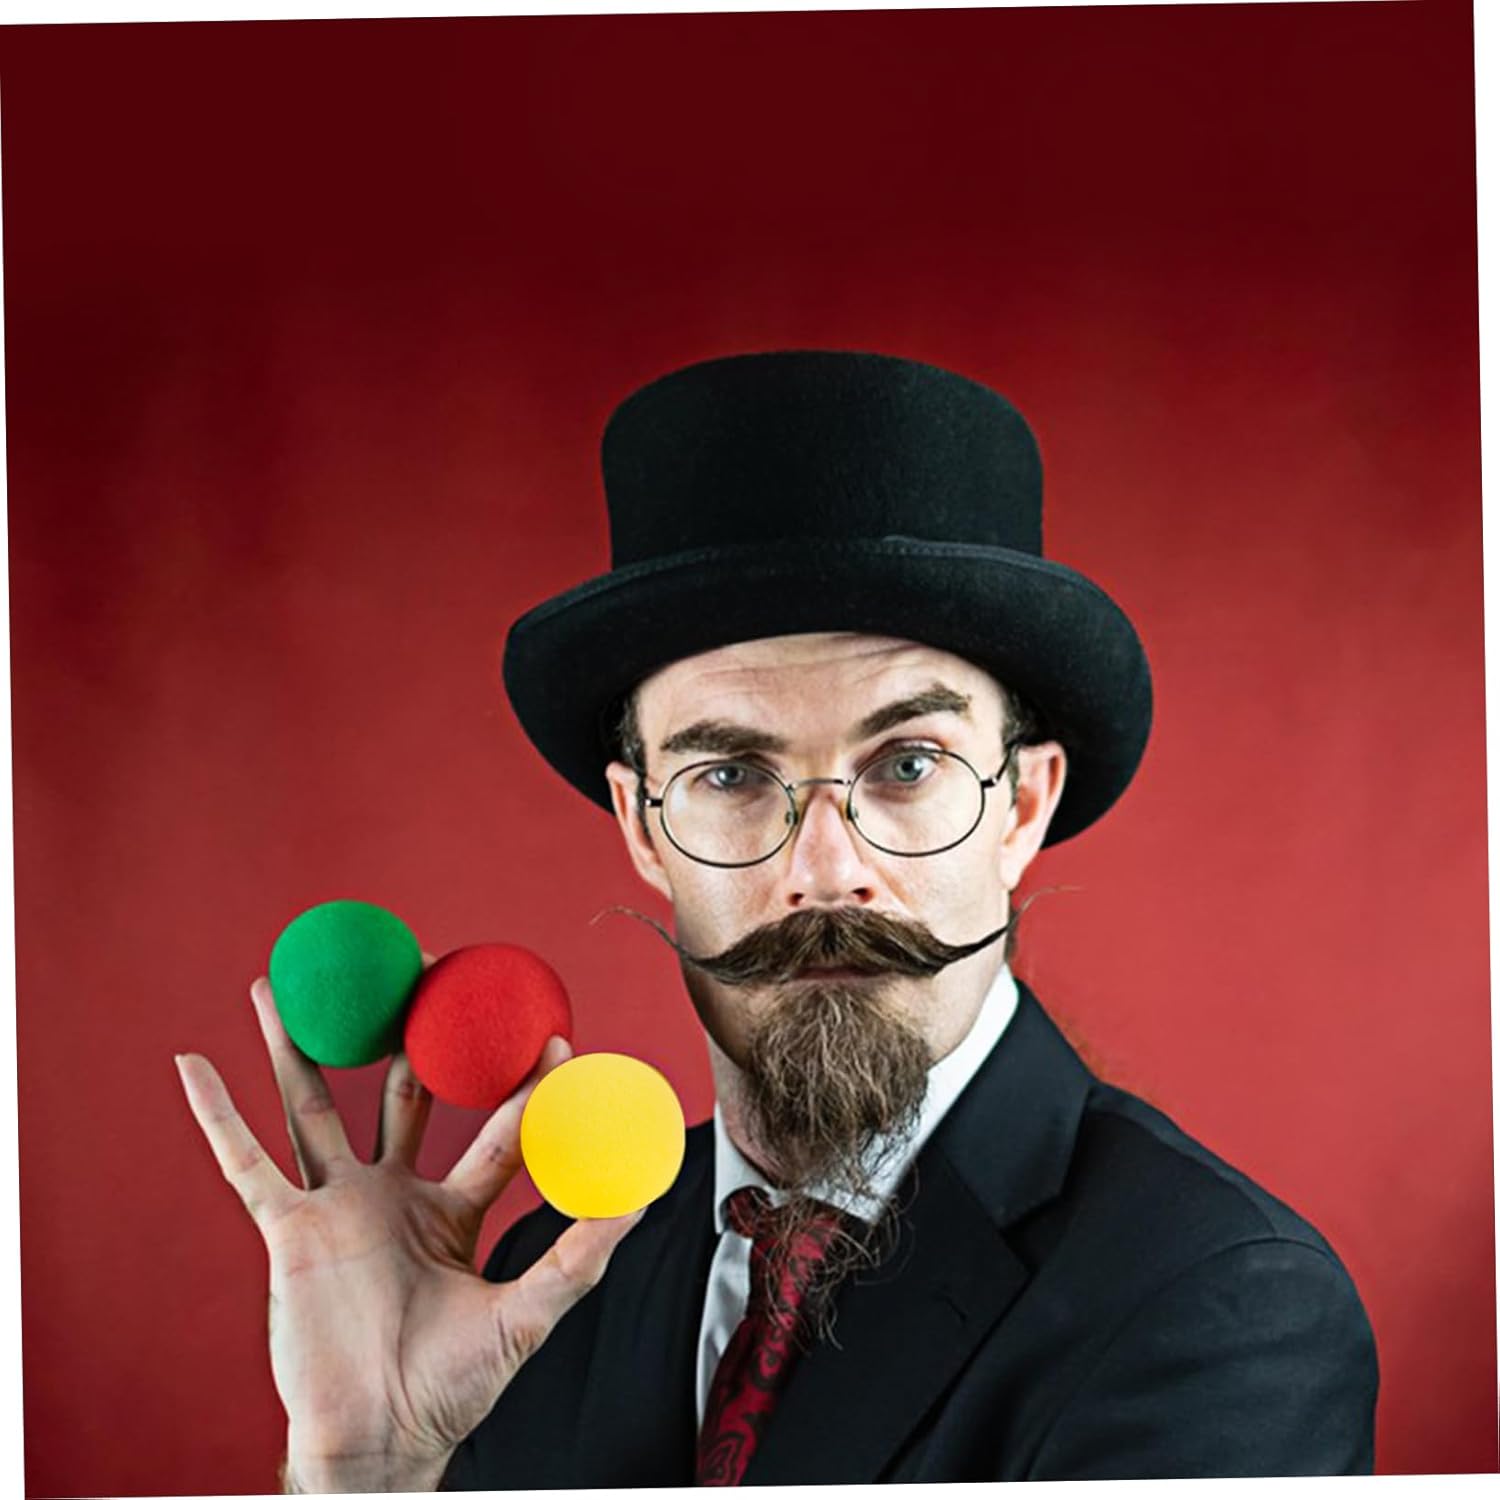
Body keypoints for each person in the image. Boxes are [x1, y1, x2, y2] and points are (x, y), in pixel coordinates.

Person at [178, 351, 1378, 1491]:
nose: (825, 870)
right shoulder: (541, 1287)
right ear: (643, 827)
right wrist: (372, 1474)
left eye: (907, 765)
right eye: (731, 775)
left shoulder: (1216, 1308)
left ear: (1021, 807)